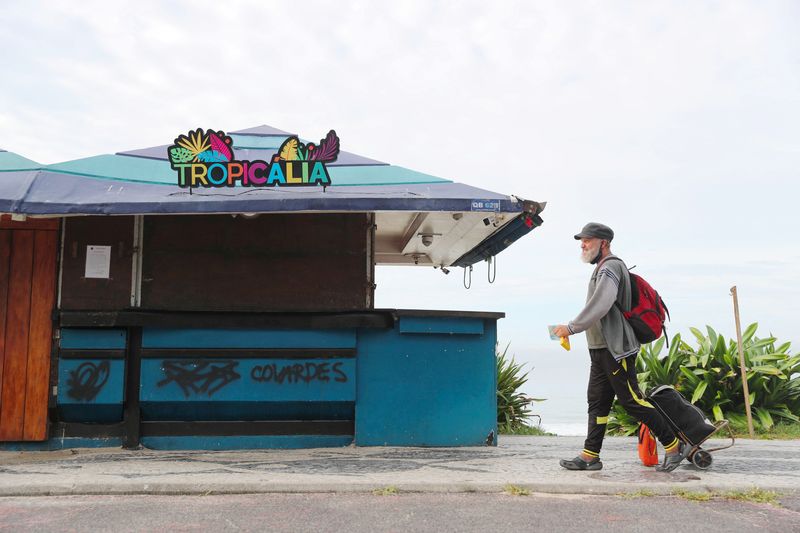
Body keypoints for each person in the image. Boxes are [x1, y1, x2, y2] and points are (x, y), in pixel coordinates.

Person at [552, 222, 689, 472]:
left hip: (616, 349)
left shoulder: (611, 267)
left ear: (603, 243)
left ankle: (673, 445)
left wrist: (571, 327)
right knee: (597, 402)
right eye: (582, 240)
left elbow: (601, 304)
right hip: (600, 349)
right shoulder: (602, 268)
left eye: (588, 240)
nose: (583, 244)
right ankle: (590, 455)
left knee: (632, 400)